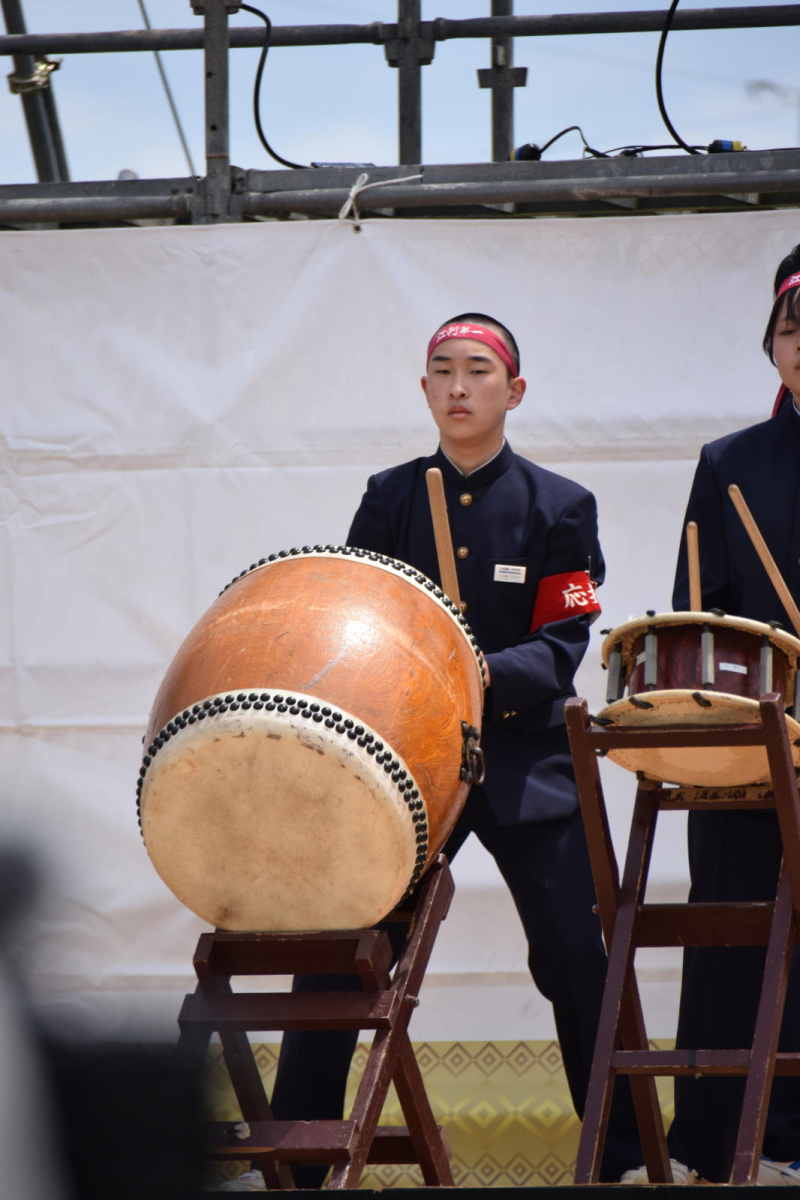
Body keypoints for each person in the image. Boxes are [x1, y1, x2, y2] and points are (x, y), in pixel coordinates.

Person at [246, 312, 642, 1189]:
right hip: (411, 765)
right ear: (424, 388)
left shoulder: (560, 506)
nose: (459, 387)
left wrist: (471, 673)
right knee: (346, 937)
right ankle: (299, 1155)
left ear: (515, 390)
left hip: (528, 764)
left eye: (478, 371)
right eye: (442, 371)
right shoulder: (389, 496)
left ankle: (618, 1161)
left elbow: (564, 643)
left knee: (581, 955)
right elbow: (355, 623)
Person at [629, 249, 800, 1187]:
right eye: (791, 328)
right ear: (770, 347)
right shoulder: (728, 464)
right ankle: (722, 1142)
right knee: (732, 921)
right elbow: (693, 607)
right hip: (753, 731)